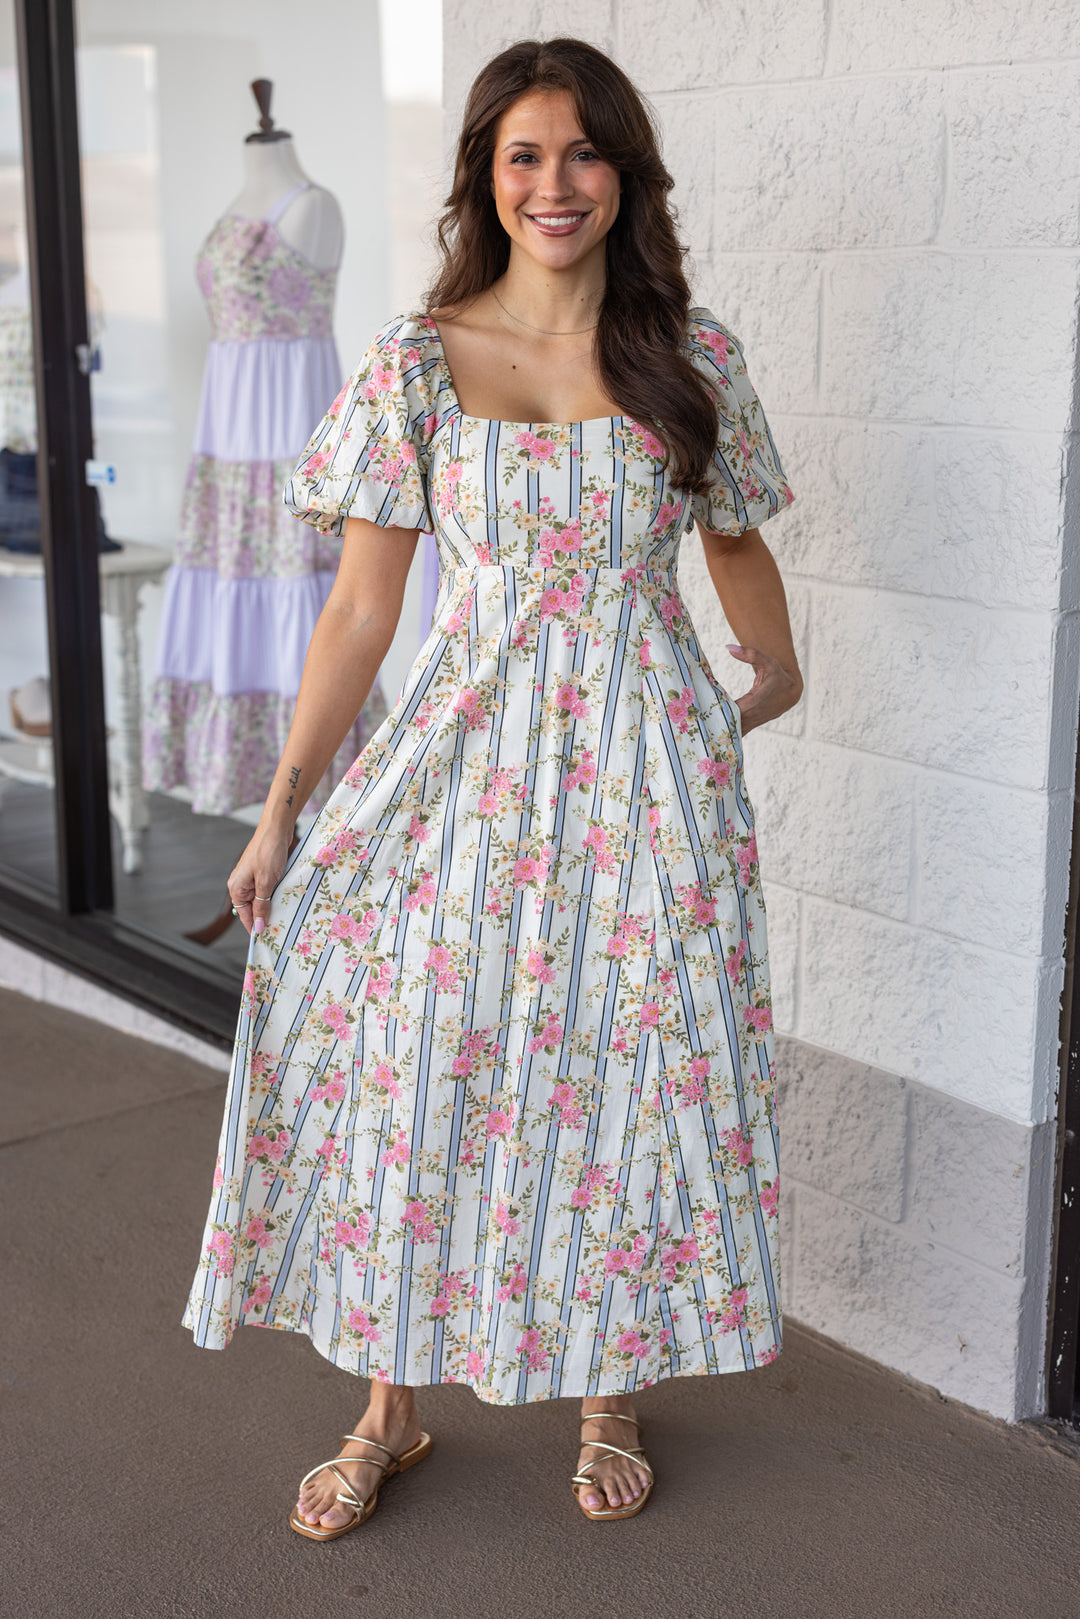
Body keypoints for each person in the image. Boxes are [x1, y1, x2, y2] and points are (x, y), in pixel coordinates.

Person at [182, 35, 802, 1539]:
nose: (555, 183)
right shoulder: (416, 358)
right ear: (486, 177)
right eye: (524, 155)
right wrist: (283, 808)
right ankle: (391, 1412)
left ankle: (610, 1381)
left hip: (649, 763)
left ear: (623, 174)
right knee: (423, 1056)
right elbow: (357, 613)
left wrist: (773, 672)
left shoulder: (690, 353)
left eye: (583, 152)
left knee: (624, 1062)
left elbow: (731, 536)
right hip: (464, 755)